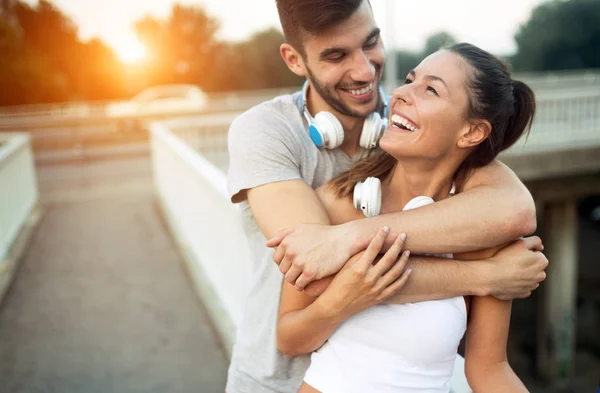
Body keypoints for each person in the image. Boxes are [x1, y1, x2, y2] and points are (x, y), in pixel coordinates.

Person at [226, 1, 548, 392]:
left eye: (371, 42)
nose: (365, 71)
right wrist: (489, 277)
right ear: (295, 60)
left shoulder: (407, 128)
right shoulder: (266, 134)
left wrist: (348, 238)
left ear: (470, 132)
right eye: (336, 55)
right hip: (274, 381)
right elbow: (318, 267)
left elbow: (515, 210)